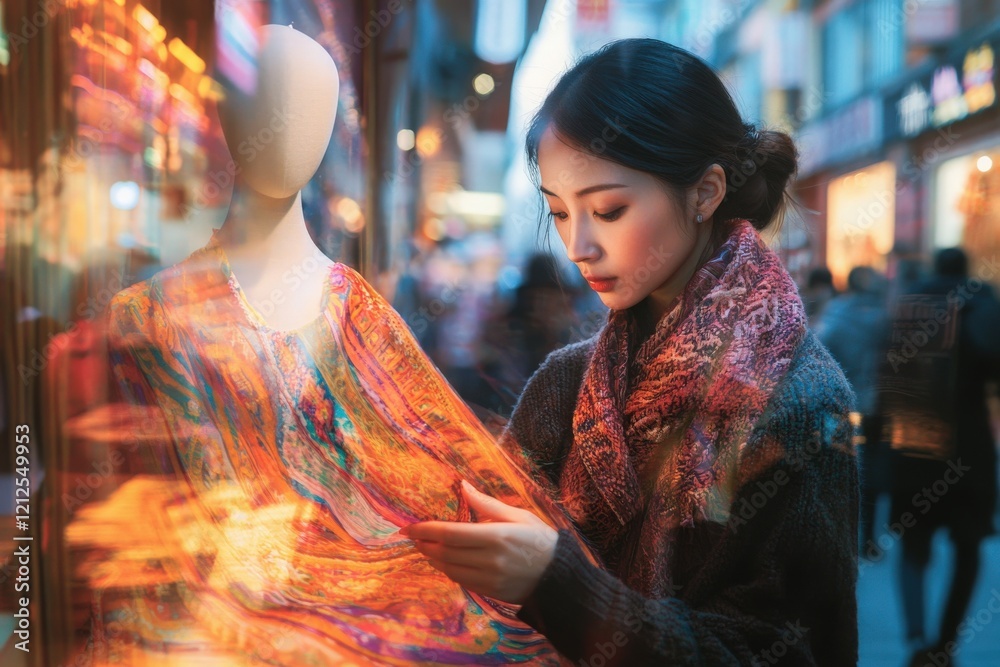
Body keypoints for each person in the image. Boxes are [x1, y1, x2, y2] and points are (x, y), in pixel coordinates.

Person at [404, 39, 859, 665]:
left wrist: (559, 583)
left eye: (609, 209)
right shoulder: (566, 384)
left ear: (705, 193)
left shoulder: (798, 401)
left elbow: (786, 652)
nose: (578, 246)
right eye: (559, 213)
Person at [884, 248, 1000, 667]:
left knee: (913, 546)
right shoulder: (983, 305)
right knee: (967, 548)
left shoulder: (909, 306)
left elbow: (888, 377)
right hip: (968, 452)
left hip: (915, 444)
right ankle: (946, 644)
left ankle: (917, 639)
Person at [814, 266, 890, 550]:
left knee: (841, 470)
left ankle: (841, 538)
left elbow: (819, 361)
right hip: (876, 409)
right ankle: (869, 538)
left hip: (842, 408)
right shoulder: (886, 318)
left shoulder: (834, 315)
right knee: (871, 475)